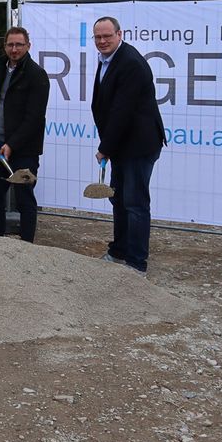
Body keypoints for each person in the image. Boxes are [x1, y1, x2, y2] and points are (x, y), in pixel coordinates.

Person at [90, 16, 167, 273]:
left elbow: (123, 111)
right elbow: (105, 105)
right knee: (119, 199)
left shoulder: (131, 63)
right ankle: (119, 251)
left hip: (138, 145)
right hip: (121, 144)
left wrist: (105, 148)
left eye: (107, 36)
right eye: (98, 37)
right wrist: (110, 146)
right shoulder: (108, 60)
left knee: (135, 203)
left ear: (119, 34)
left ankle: (136, 264)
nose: (102, 41)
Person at [0, 26, 50, 242]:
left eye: (19, 44)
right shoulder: (2, 67)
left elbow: (34, 118)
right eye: (10, 44)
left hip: (23, 151)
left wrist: (12, 145)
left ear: (28, 46)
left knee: (24, 198)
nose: (14, 49)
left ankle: (26, 246)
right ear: (5, 46)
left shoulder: (37, 76)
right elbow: (0, 101)